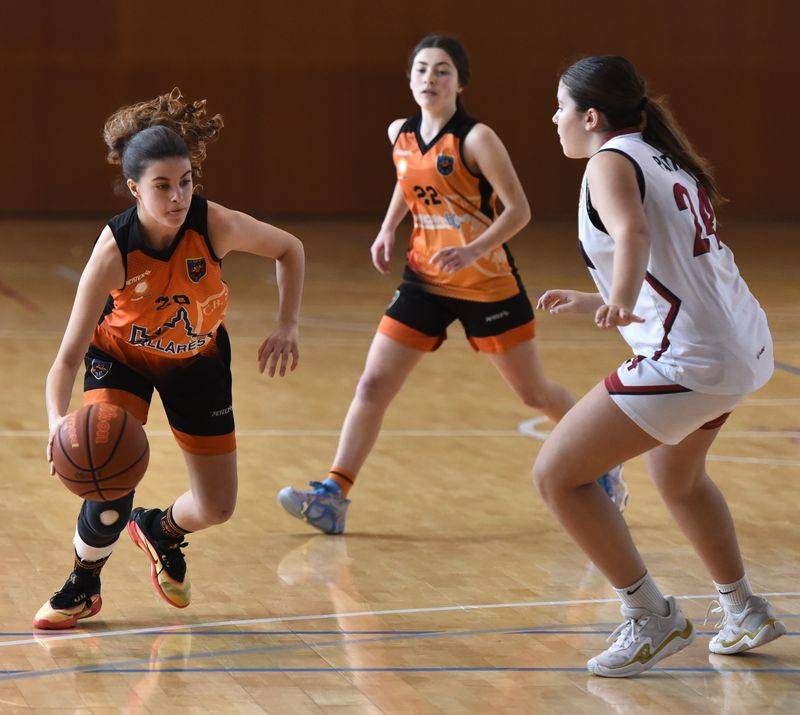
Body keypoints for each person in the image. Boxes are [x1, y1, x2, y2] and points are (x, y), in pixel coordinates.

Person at [277, 35, 626, 535]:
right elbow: (408, 178)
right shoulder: (399, 132)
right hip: (424, 277)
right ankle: (333, 494)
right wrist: (387, 228)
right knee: (373, 383)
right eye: (421, 69)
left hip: (487, 283)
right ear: (410, 78)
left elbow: (519, 210)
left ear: (460, 82)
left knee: (533, 394)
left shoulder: (477, 138)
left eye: (442, 71)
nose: (429, 79)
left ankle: (604, 463)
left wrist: (472, 249)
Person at [535, 55, 785, 677]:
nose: (554, 118)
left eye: (562, 107)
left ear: (591, 117)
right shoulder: (661, 157)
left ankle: (650, 614)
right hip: (741, 346)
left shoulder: (608, 161)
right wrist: (600, 295)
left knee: (558, 475)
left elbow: (634, 235)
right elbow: (674, 264)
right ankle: (743, 607)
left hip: (694, 358)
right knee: (677, 478)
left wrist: (618, 298)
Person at [35, 88, 305, 629]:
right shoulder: (113, 253)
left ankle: (161, 530)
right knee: (108, 471)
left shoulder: (215, 224)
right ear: (135, 188)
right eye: (162, 186)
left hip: (197, 362)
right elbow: (66, 357)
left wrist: (287, 323)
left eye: (185, 183)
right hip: (122, 358)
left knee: (218, 507)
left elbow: (289, 248)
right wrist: (55, 421)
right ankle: (83, 584)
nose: (177, 196)